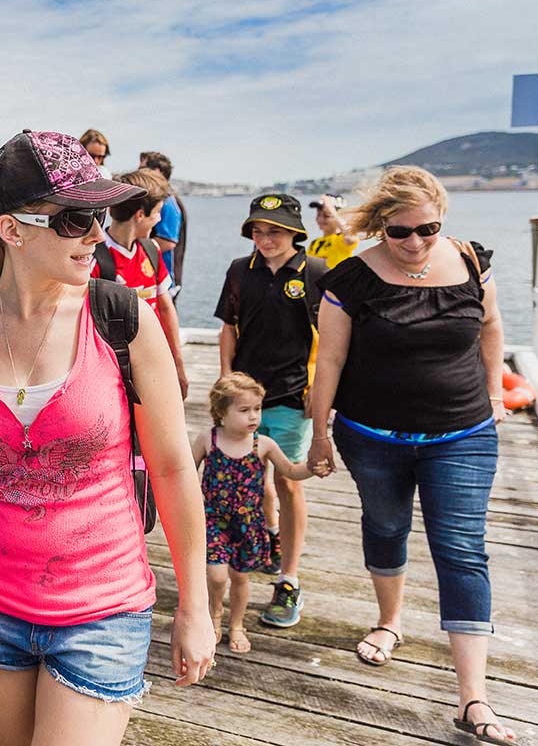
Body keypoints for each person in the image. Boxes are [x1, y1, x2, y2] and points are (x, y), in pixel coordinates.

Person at [0, 130, 213, 746]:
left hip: (103, 609)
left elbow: (172, 469)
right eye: (78, 218)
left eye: (102, 216)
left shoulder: (122, 319)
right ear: (13, 230)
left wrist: (195, 606)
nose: (97, 234)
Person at [308, 166, 515, 745]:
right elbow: (329, 363)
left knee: (461, 548)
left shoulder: (473, 263)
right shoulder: (350, 278)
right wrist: (320, 433)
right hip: (372, 436)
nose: (415, 242)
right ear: (381, 226)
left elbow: (491, 327)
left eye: (428, 228)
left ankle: (474, 697)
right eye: (400, 233)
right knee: (387, 524)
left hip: (463, 433)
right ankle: (390, 620)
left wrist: (497, 393)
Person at [215, 193, 327, 628]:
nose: (265, 239)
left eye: (274, 231)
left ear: (296, 233)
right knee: (243, 475)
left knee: (286, 481)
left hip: (291, 396)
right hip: (242, 397)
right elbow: (228, 328)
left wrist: (321, 389)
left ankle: (289, 579)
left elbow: (331, 336)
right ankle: (269, 537)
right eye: (258, 231)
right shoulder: (240, 271)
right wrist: (226, 377)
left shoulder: (316, 272)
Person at [194, 373, 319, 655]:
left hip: (249, 524)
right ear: (221, 413)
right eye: (244, 410)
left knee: (240, 577)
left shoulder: (263, 445)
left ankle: (237, 624)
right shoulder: (208, 440)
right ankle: (215, 615)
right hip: (214, 520)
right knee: (215, 575)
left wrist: (313, 467)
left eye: (257, 409)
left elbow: (290, 471)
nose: (253, 416)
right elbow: (187, 473)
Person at [98, 168, 189, 398]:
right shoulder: (95, 259)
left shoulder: (151, 251)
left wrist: (177, 363)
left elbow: (165, 307)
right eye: (157, 213)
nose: (158, 220)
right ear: (140, 215)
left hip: (152, 364)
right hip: (113, 372)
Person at [140, 151, 187, 298]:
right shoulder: (164, 197)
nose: (138, 173)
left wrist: (132, 249)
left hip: (166, 281)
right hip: (156, 278)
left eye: (142, 169)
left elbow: (168, 241)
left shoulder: (166, 200)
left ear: (157, 171)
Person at [307, 193, 360, 268]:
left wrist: (332, 211)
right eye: (318, 215)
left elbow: (351, 237)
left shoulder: (341, 240)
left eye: (326, 216)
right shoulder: (315, 244)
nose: (320, 219)